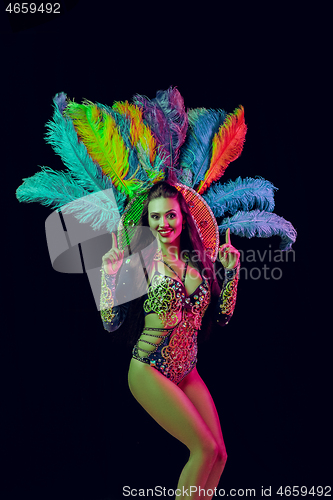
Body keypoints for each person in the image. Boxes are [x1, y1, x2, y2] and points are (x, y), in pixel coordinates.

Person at [100, 181, 240, 499]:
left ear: (183, 217)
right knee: (203, 449)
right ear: (147, 221)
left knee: (219, 455)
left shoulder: (198, 266)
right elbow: (111, 323)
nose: (163, 224)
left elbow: (222, 316)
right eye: (155, 217)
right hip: (149, 369)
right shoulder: (142, 265)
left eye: (171, 216)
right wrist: (108, 275)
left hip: (186, 370)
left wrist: (232, 273)